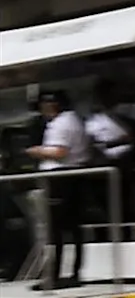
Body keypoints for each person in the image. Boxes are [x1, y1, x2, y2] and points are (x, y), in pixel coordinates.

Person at [27, 88, 88, 287]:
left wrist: (36, 151)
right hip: (70, 177)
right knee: (70, 228)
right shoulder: (73, 119)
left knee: (56, 229)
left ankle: (55, 275)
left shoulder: (61, 123)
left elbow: (59, 152)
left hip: (60, 178)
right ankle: (72, 273)